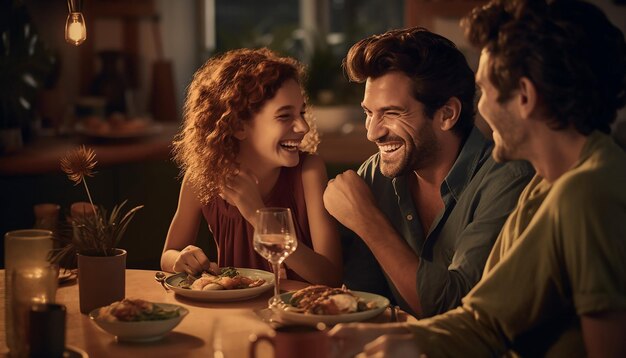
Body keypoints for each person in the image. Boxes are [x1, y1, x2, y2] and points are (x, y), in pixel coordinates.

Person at [329, 0, 626, 356]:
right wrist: (406, 342)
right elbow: (488, 319)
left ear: (525, 97)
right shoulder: (547, 185)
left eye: (484, 90)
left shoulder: (587, 193)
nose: (479, 107)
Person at [323, 27, 534, 317]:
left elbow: (456, 310)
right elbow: (364, 300)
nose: (373, 132)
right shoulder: (375, 174)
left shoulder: (509, 181)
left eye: (392, 113)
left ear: (447, 114)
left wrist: (367, 219)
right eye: (369, 112)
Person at [161, 48, 342, 286]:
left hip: (300, 312)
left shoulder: (309, 171)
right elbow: (168, 255)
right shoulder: (204, 176)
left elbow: (329, 276)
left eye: (301, 113)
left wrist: (257, 215)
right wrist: (181, 259)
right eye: (285, 116)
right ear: (238, 126)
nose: (303, 127)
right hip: (235, 314)